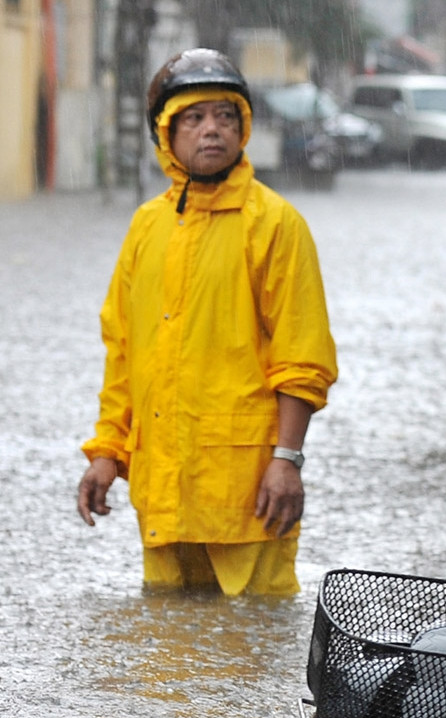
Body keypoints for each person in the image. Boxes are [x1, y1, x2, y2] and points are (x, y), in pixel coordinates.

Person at [76, 49, 338, 596]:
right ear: (166, 136)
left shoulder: (275, 225)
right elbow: (123, 352)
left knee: (251, 646)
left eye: (225, 116)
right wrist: (107, 453)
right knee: (169, 656)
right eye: (193, 119)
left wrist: (286, 461)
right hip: (161, 489)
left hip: (247, 491)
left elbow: (303, 357)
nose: (211, 130)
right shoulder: (147, 227)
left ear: (243, 128)